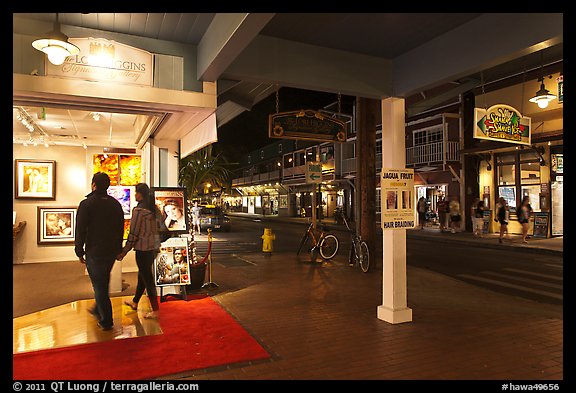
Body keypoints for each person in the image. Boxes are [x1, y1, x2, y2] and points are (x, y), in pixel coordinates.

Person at [75, 172, 124, 331]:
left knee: (99, 285)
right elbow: (119, 229)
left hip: (94, 250)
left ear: (93, 184)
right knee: (103, 282)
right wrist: (118, 249)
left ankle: (106, 320)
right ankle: (98, 309)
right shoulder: (115, 204)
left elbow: (80, 229)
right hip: (110, 251)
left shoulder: (87, 204)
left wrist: (79, 250)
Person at [117, 183, 162, 319]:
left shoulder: (138, 211)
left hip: (142, 248)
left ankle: (156, 310)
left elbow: (133, 233)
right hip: (153, 248)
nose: (135, 194)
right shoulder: (154, 210)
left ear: (140, 194)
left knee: (147, 278)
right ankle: (135, 301)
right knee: (143, 274)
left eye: (136, 192)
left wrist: (124, 251)